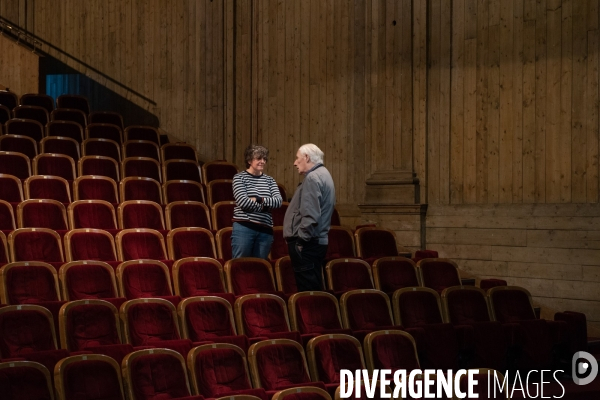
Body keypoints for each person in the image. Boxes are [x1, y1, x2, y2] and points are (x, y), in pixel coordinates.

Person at [283, 143, 336, 291]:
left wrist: (301, 241)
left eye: (297, 158)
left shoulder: (312, 178)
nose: (294, 163)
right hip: (316, 241)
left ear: (306, 157)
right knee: (313, 289)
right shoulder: (324, 174)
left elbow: (311, 215)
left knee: (308, 293)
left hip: (308, 243)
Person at [231, 144, 282, 259]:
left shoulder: (270, 180)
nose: (262, 161)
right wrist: (266, 207)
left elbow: (278, 202)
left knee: (259, 267)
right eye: (259, 158)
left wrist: (258, 199)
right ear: (249, 160)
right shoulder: (239, 178)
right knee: (241, 265)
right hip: (244, 227)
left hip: (265, 229)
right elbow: (244, 202)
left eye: (264, 159)